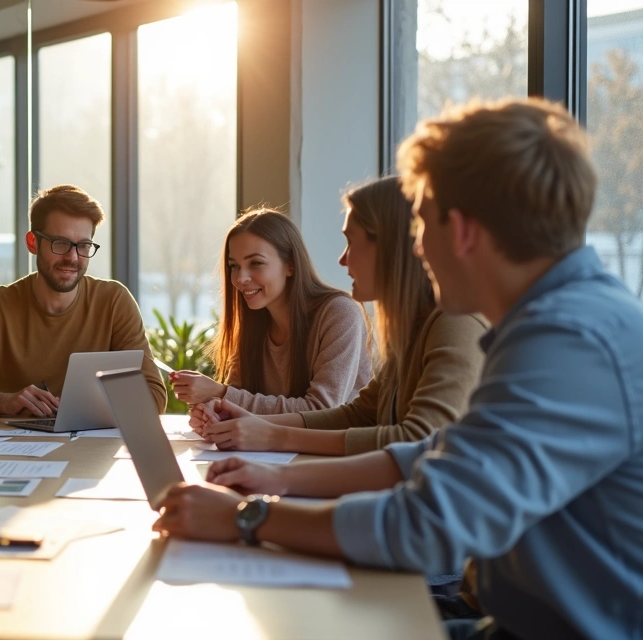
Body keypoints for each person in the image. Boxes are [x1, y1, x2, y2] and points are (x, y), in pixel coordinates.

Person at [154, 98, 643, 640]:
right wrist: (279, 479)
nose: (417, 248)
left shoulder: (569, 341)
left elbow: (427, 522)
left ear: (461, 230)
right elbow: (431, 451)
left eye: (422, 224)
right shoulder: (557, 321)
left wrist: (246, 517)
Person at [191, 177, 487, 455]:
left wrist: (271, 436)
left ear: (391, 247)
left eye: (351, 242)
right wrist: (245, 420)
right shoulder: (411, 330)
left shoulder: (456, 323)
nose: (342, 259)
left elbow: (417, 441)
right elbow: (358, 415)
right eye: (234, 266)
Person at [0, 184, 166, 417]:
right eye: (60, 243)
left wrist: (81, 410)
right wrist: (7, 402)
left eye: (83, 246)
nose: (72, 258)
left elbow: (154, 396)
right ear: (33, 243)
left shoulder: (114, 302)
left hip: (94, 440)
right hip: (17, 441)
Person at [171, 209, 372, 414]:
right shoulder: (253, 322)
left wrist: (221, 394)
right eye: (234, 265)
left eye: (255, 263)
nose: (241, 278)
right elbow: (238, 401)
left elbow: (321, 410)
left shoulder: (340, 314)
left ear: (291, 265)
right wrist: (214, 412)